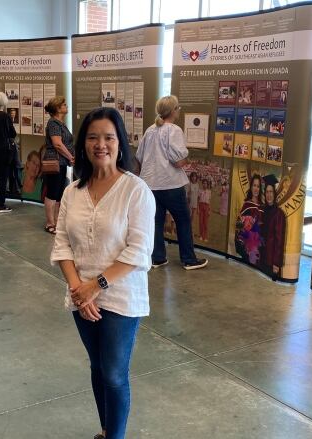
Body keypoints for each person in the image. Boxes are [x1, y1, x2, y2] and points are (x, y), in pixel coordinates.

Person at [51, 107, 154, 439]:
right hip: (81, 295)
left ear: (119, 142)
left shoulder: (135, 190)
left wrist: (97, 285)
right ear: (83, 144)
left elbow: (139, 251)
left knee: (113, 374)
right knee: (97, 367)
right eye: (93, 137)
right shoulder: (73, 190)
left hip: (120, 296)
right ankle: (107, 430)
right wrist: (78, 289)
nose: (101, 144)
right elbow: (63, 242)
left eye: (108, 137)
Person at [136, 95, 208, 269]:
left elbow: (139, 157)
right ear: (173, 111)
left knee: (156, 221)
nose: (179, 111)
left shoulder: (150, 130)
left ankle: (158, 257)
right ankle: (189, 259)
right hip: (170, 184)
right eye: (178, 108)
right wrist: (186, 160)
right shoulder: (174, 130)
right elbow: (177, 161)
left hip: (150, 184)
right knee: (183, 220)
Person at [43, 96, 75, 233]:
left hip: (61, 163)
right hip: (54, 162)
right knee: (52, 192)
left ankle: (56, 221)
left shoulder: (60, 123)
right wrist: (71, 157)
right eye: (64, 105)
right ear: (57, 108)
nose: (66, 106)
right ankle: (50, 223)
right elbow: (57, 144)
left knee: (59, 193)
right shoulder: (53, 124)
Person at [259, 177, 285, 278]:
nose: (269, 195)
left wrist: (276, 263)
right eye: (267, 192)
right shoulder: (262, 210)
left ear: (274, 194)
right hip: (261, 257)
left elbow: (279, 240)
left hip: (271, 261)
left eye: (271, 192)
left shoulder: (279, 214)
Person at [235, 174, 263, 266]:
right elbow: (239, 225)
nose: (256, 188)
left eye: (258, 186)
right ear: (251, 187)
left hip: (259, 246)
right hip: (247, 246)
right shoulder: (247, 205)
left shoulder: (262, 206)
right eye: (254, 185)